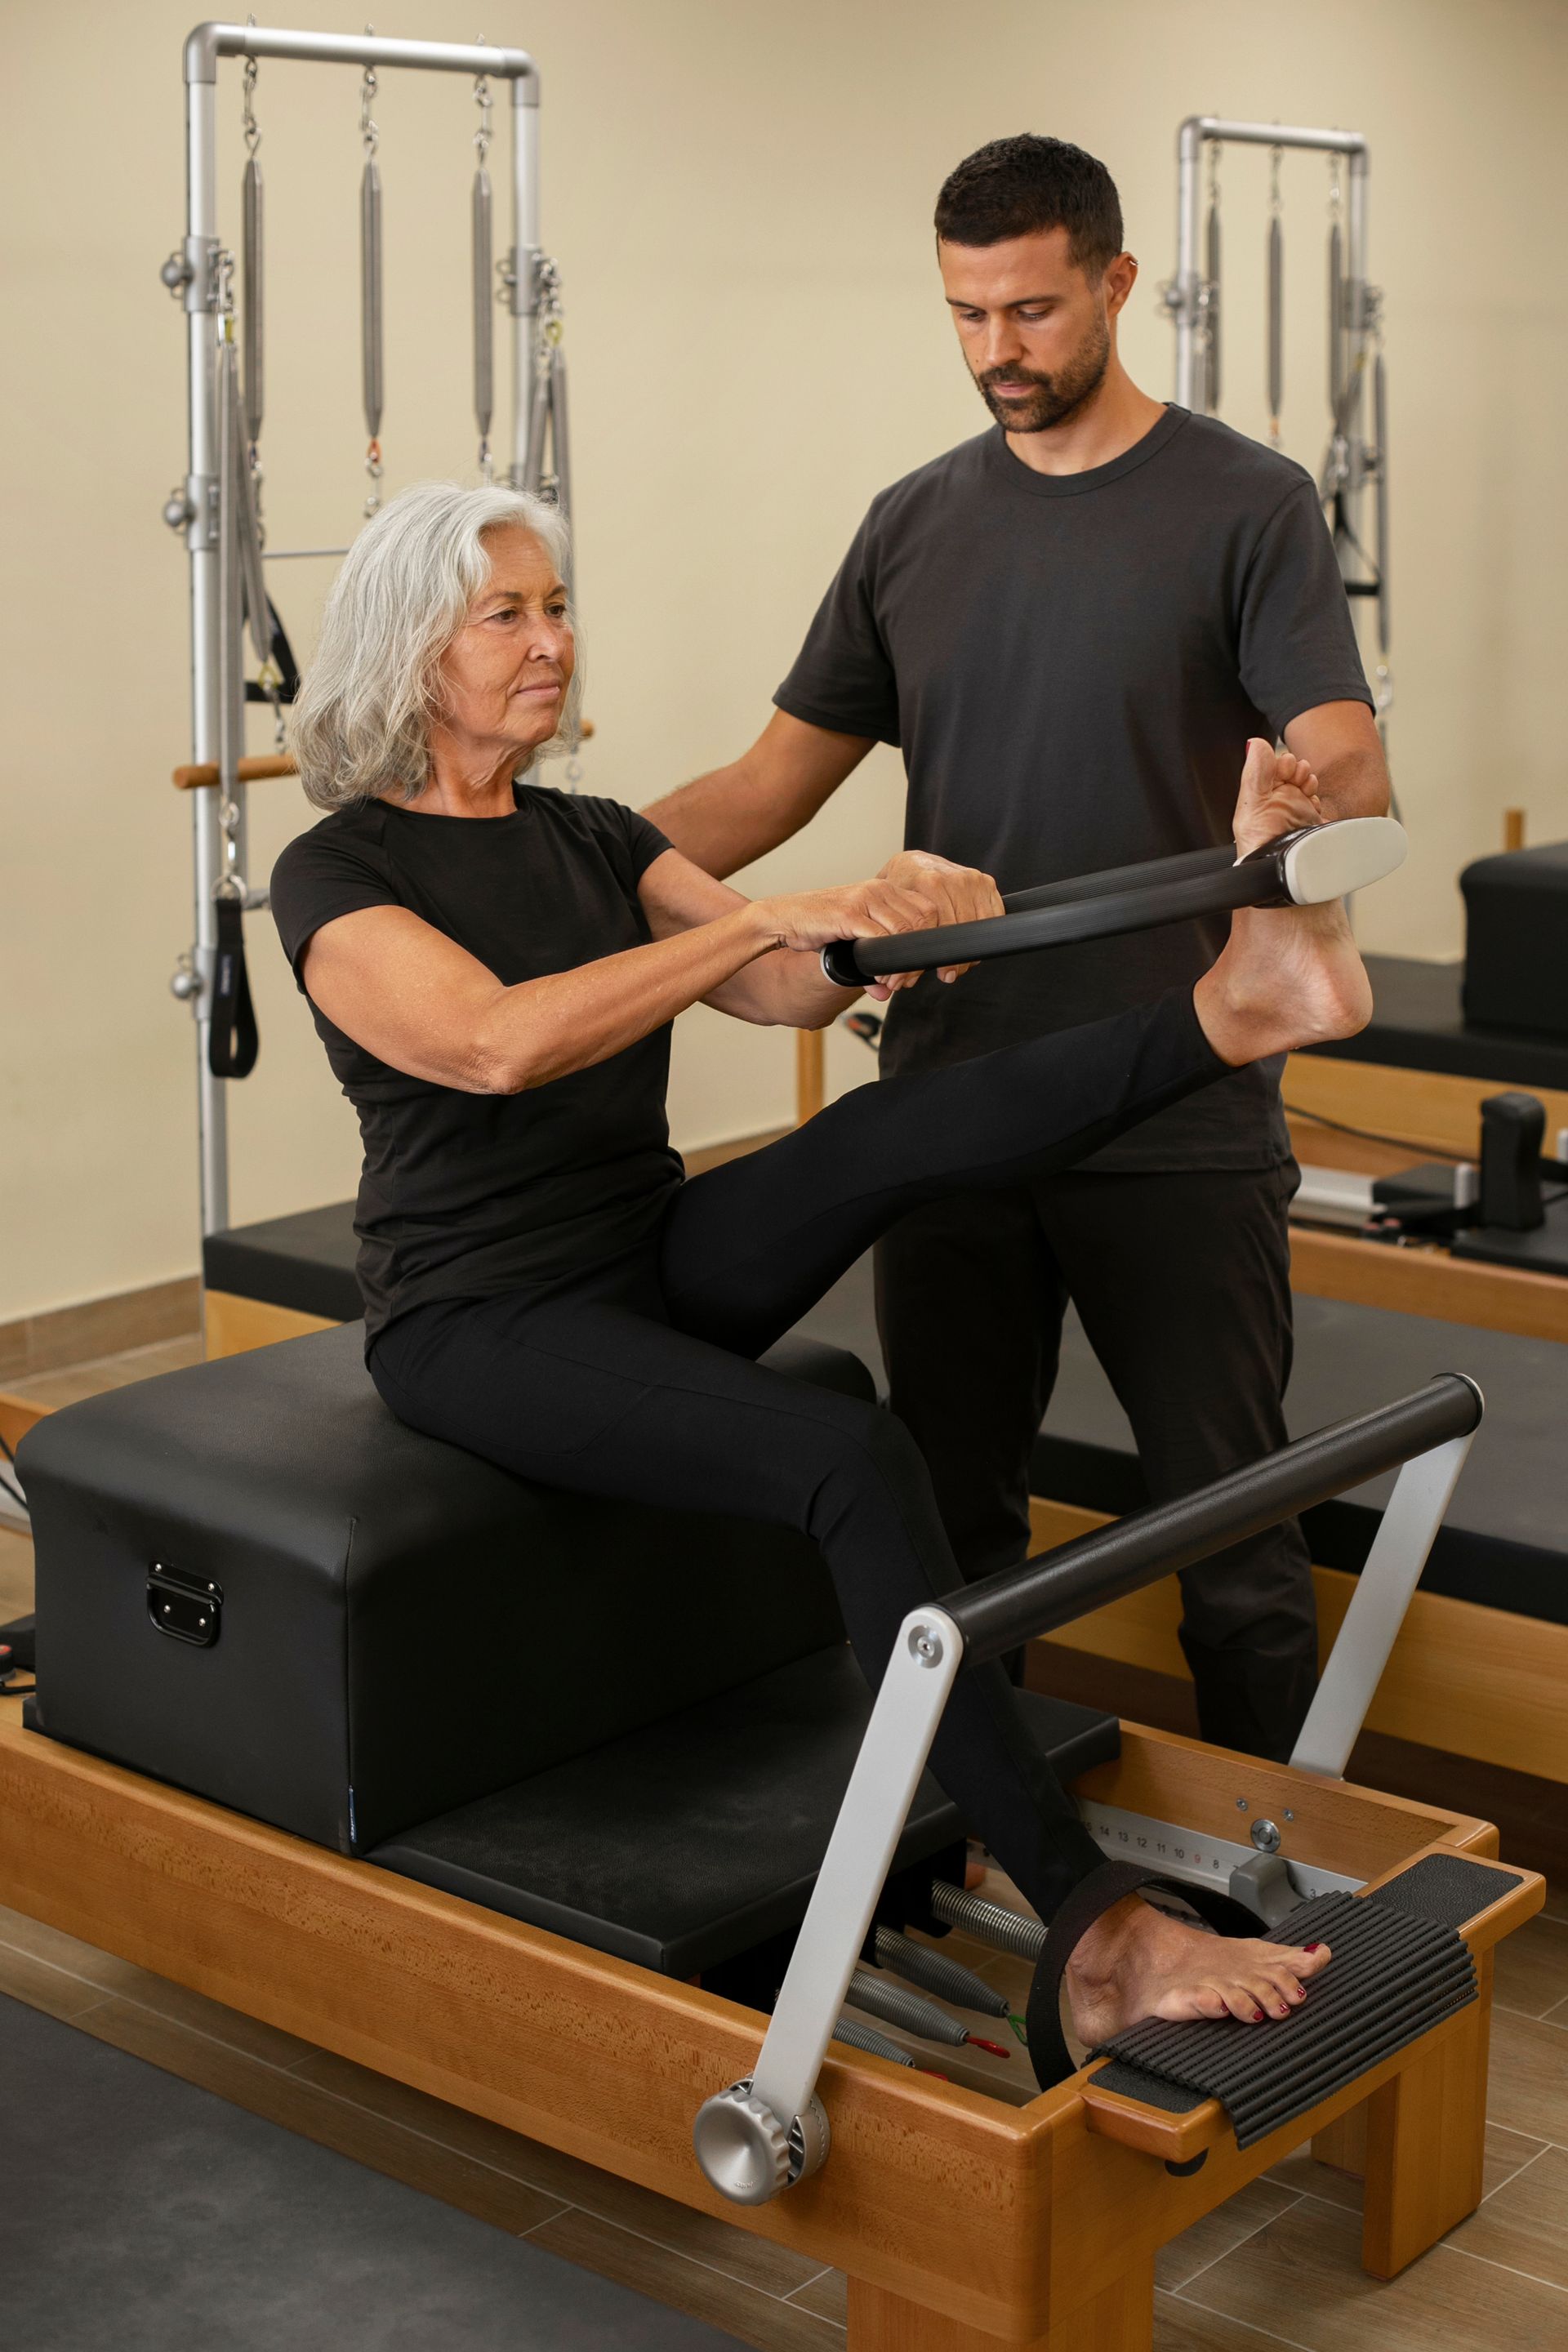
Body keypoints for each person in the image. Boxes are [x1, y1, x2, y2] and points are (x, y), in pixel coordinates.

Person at [270, 482, 1360, 2067]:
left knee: (889, 1125)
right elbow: (495, 1046)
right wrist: (770, 917)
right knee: (846, 1446)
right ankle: (1094, 1931)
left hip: (643, 1252)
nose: (551, 642)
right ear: (407, 646)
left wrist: (889, 923)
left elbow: (780, 985)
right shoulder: (338, 872)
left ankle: (1237, 1008)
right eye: (507, 614)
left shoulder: (594, 833)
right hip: (478, 1319)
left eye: (557, 605)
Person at [642, 136, 1392, 1763]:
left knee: (1235, 1549)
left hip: (1179, 1111)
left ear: (1117, 285)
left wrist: (1303, 806)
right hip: (958, 1106)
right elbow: (771, 785)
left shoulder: (1247, 504)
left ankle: (1290, 1876)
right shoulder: (913, 526)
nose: (1000, 351)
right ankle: (989, 1859)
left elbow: (1353, 762)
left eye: (1035, 310)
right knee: (955, 1538)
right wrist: (560, 865)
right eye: (968, 316)